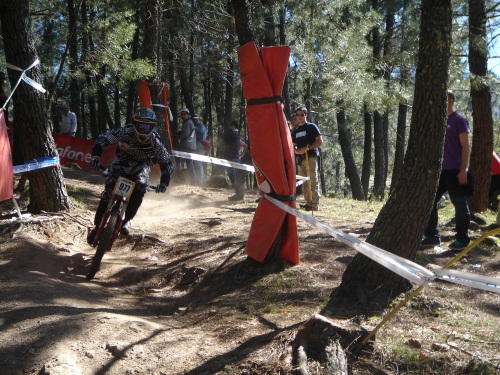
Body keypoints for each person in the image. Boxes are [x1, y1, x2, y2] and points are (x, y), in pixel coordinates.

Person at [87, 107, 173, 243]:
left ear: (153, 127)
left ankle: (127, 220)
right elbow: (103, 139)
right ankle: (97, 227)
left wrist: (164, 183)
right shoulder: (124, 131)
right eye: (140, 126)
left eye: (147, 127)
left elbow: (166, 162)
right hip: (122, 162)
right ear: (134, 123)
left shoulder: (155, 142)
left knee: (141, 187)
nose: (143, 130)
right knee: (106, 194)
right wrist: (96, 156)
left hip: (142, 166)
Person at [421, 90, 471, 251]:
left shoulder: (459, 120)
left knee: (459, 203)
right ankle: (432, 236)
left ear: (450, 101)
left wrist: (463, 170)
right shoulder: (439, 121)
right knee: (429, 201)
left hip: (455, 170)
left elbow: (465, 146)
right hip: (439, 171)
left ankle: (462, 239)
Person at [291, 106, 323, 211]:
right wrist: (296, 150)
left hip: (310, 157)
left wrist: (307, 148)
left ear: (306, 115)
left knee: (312, 180)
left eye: (302, 114)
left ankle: (314, 204)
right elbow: (293, 144)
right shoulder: (295, 131)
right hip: (299, 159)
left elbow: (319, 141)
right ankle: (308, 202)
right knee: (304, 181)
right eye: (297, 115)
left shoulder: (311, 127)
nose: (299, 117)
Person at [221, 120, 244, 201]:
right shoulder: (235, 134)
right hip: (233, 156)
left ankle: (239, 194)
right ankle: (238, 194)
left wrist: (221, 130)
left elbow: (223, 137)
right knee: (233, 175)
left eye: (229, 125)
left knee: (233, 175)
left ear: (233, 125)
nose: (228, 127)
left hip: (232, 157)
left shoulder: (232, 133)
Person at [176, 108, 197, 184]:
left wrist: (178, 136)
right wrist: (180, 132)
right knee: (189, 163)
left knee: (177, 159)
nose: (183, 116)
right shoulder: (189, 122)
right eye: (182, 114)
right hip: (191, 146)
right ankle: (193, 181)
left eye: (184, 114)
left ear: (188, 115)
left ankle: (177, 177)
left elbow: (185, 134)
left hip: (186, 145)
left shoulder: (187, 123)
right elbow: (186, 132)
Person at [193, 114, 207, 186]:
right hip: (198, 147)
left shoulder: (201, 126)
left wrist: (192, 127)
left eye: (196, 119)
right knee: (198, 164)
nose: (195, 120)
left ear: (199, 119)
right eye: (194, 119)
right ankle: (203, 180)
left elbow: (200, 131)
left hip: (200, 147)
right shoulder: (198, 126)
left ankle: (201, 181)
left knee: (198, 164)